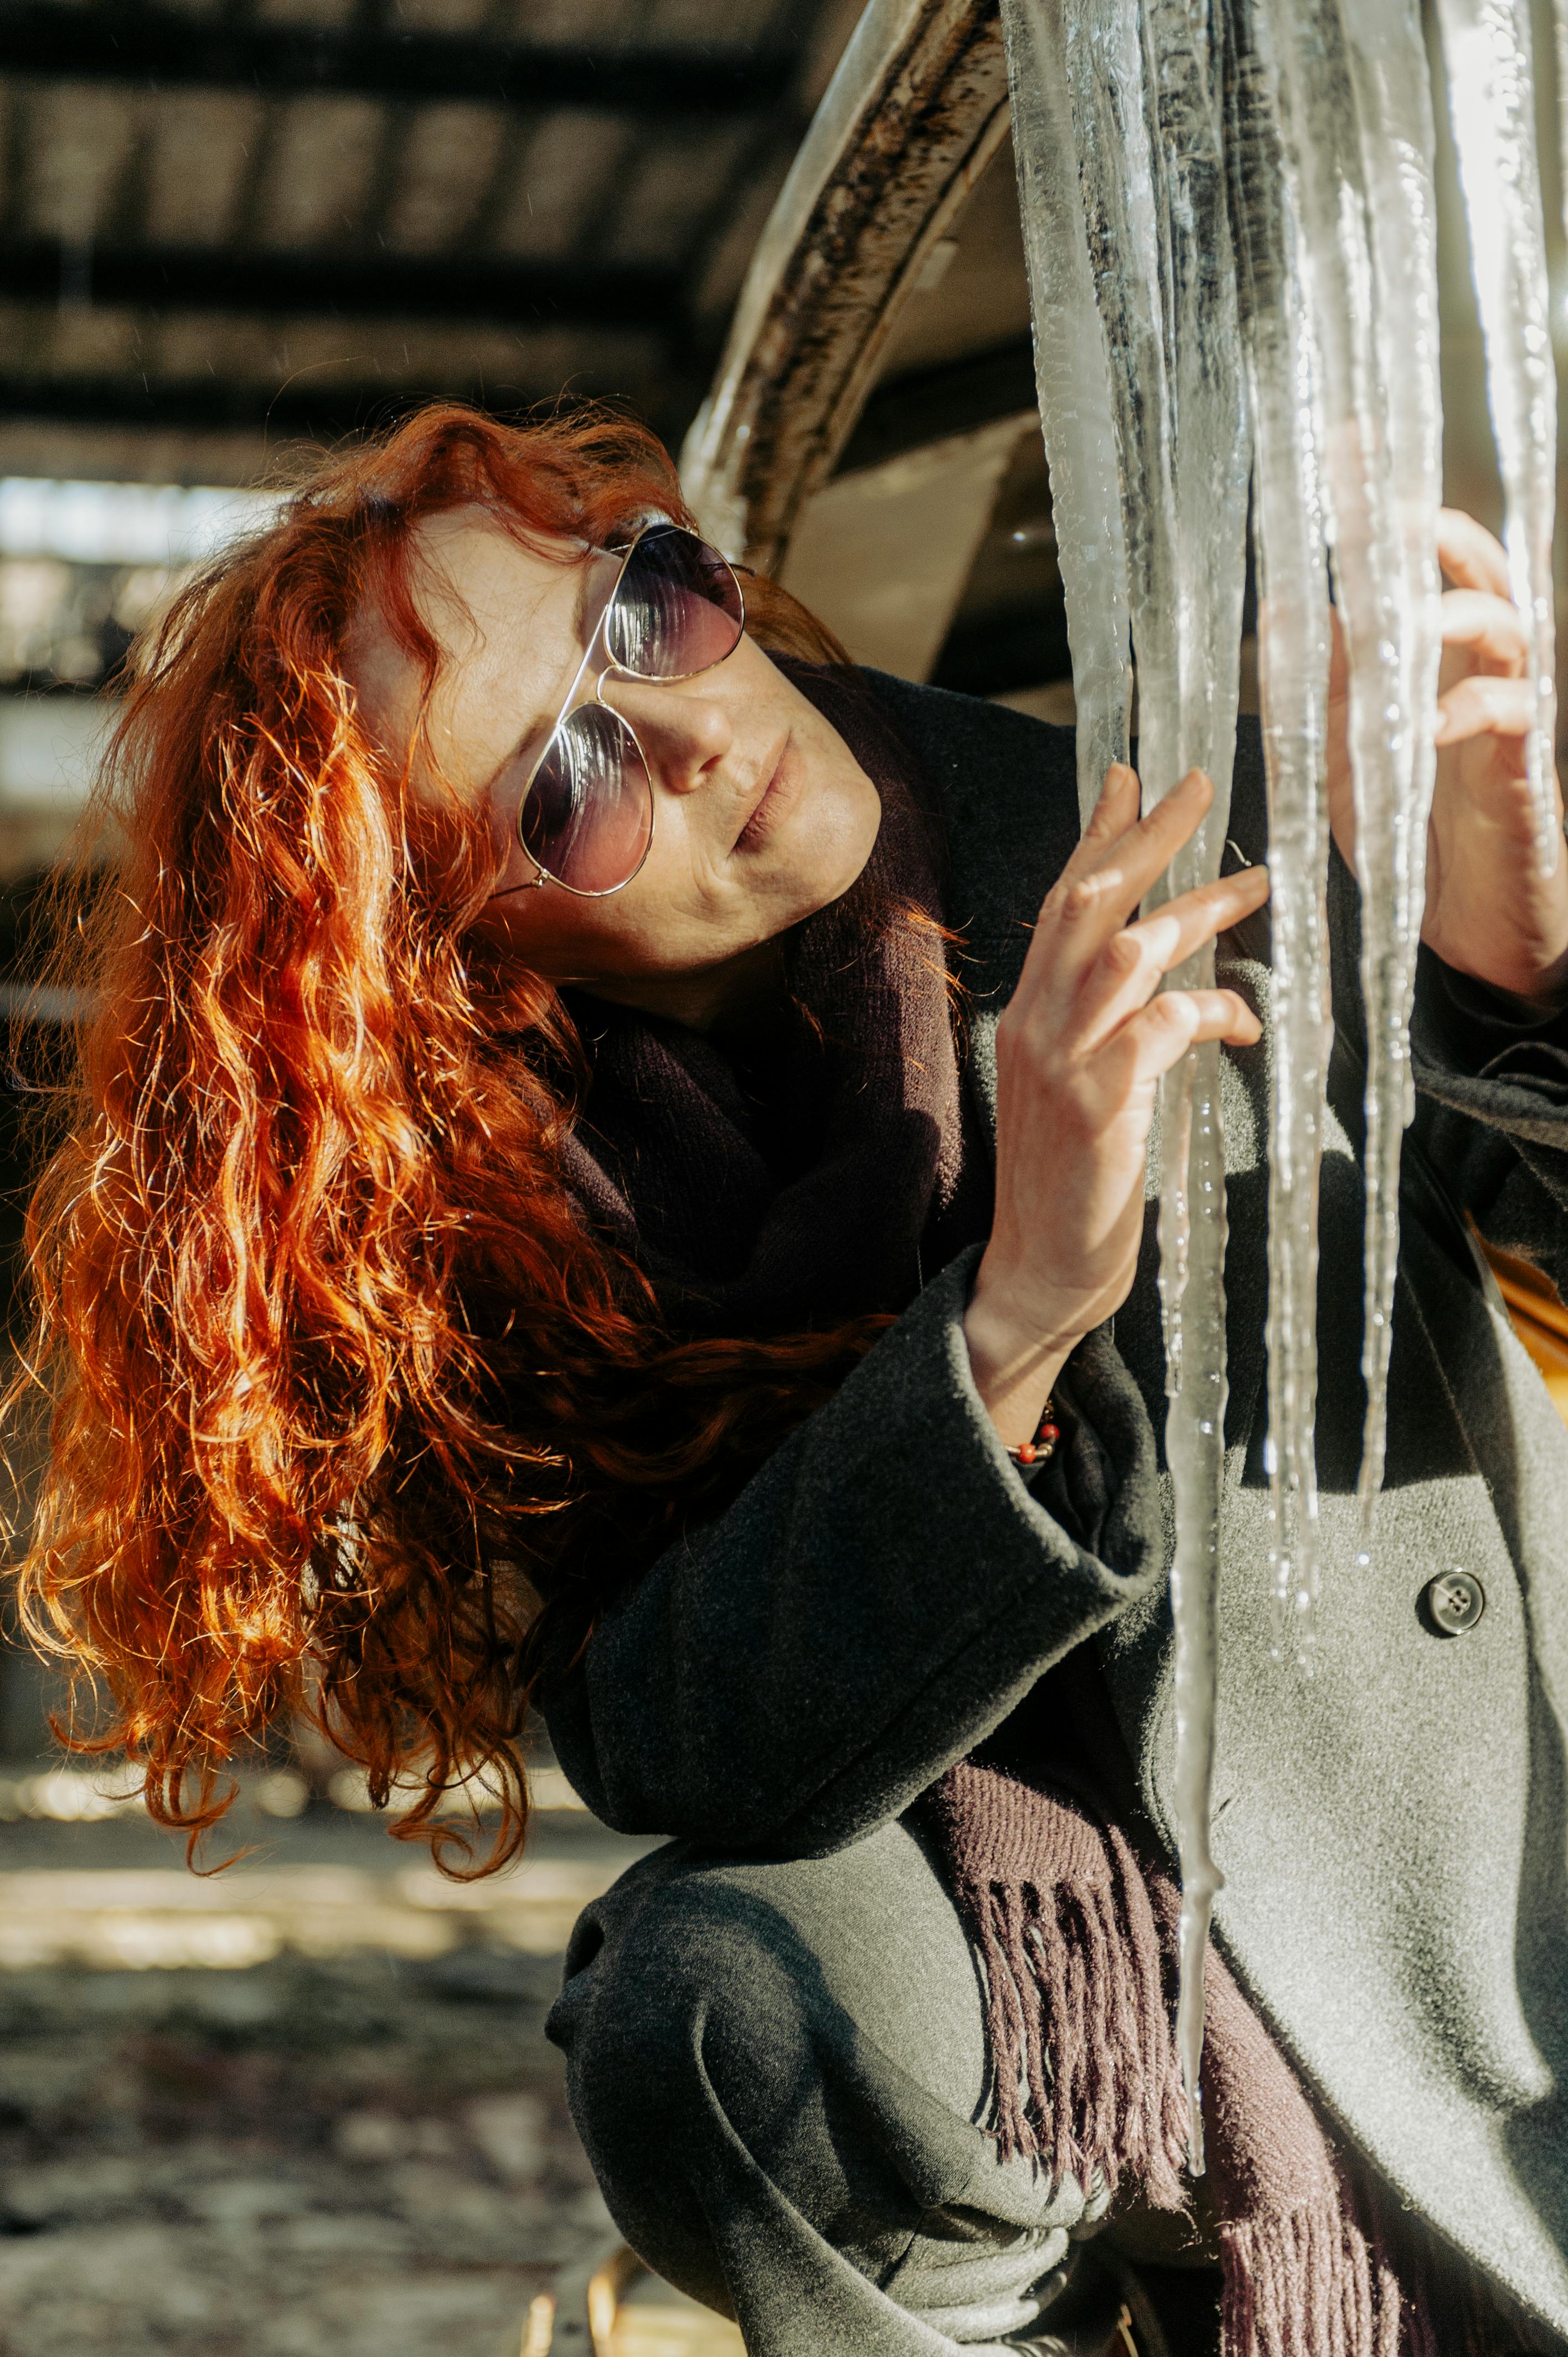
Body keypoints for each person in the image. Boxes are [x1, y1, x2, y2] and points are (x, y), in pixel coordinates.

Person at [9, 403, 1567, 2357]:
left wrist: (1526, 977)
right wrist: (1014, 1320)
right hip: (1058, 1990)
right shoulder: (518, 1227)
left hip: (1453, 1880)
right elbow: (674, 1736)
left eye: (646, 606)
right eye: (570, 788)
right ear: (479, 960)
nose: (697, 731)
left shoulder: (1173, 812)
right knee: (710, 2013)